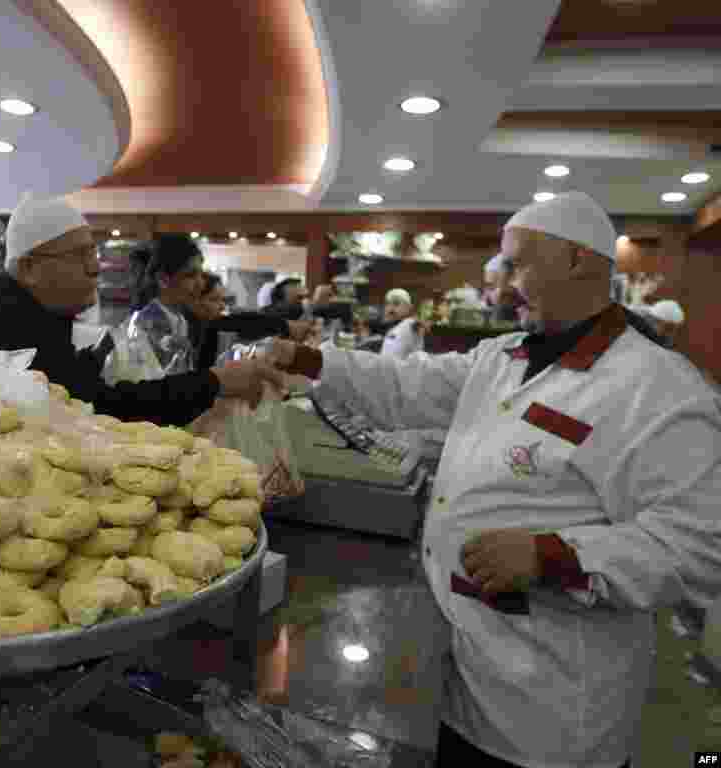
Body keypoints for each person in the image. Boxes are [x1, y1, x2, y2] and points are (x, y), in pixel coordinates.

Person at [265, 191, 721, 768]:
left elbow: (699, 544)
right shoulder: (504, 356)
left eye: (516, 264)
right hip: (464, 663)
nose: (499, 283)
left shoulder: (657, 389)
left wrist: (552, 554)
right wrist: (305, 362)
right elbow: (406, 386)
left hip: (551, 703)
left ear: (579, 261)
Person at [0, 193, 282, 425]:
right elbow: (97, 412)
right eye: (80, 256)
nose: (95, 268)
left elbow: (72, 391)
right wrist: (214, 382)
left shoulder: (30, 309)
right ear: (28, 267)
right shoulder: (0, 320)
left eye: (94, 254)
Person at [188, 273, 311, 370]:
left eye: (222, 300)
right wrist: (285, 325)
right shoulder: (194, 328)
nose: (221, 306)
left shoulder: (209, 330)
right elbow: (240, 321)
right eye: (214, 299)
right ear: (194, 299)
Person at [127, 235, 206, 375]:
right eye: (190, 275)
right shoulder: (146, 324)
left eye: (201, 274)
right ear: (163, 279)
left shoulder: (181, 319)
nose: (201, 284)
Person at [379, 290, 428, 359]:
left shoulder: (410, 323)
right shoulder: (392, 329)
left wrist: (420, 324)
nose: (390, 308)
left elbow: (417, 324)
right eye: (387, 304)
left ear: (409, 307)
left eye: (396, 304)